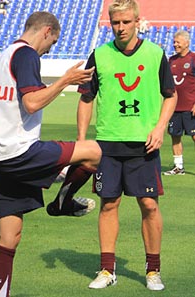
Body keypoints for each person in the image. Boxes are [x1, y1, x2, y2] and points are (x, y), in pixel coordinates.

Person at [0, 11, 101, 297]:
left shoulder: (2, 58)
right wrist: (64, 81)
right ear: (46, 31)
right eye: (53, 42)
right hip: (18, 151)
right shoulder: (26, 55)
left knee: (10, 237)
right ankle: (62, 203)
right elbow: (32, 103)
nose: (50, 49)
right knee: (95, 152)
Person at [76, 0, 177, 291]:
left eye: (126, 22)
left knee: (149, 205)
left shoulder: (156, 53)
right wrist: (83, 142)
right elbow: (86, 98)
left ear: (136, 21)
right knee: (109, 205)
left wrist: (160, 128)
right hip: (107, 144)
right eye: (115, 23)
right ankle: (107, 270)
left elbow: (169, 95)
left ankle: (153, 271)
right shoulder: (99, 55)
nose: (120, 28)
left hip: (144, 144)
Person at [163, 30, 195, 175]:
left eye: (178, 42)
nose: (175, 44)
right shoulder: (172, 60)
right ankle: (178, 167)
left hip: (190, 107)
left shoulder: (193, 59)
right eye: (174, 42)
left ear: (187, 43)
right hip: (174, 107)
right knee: (175, 136)